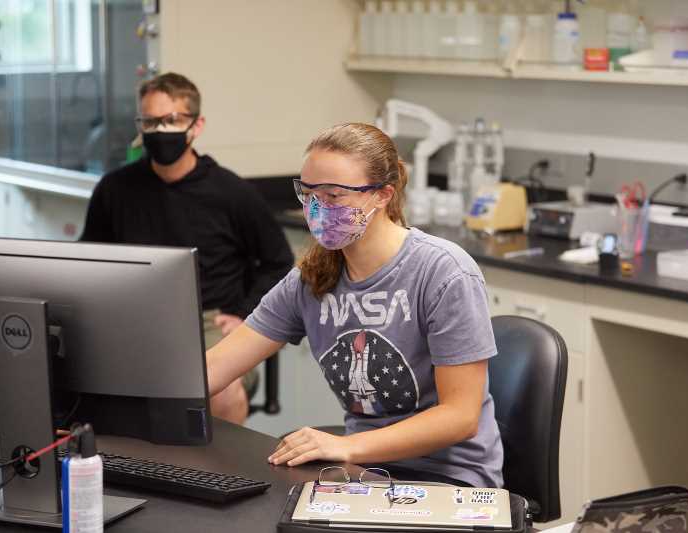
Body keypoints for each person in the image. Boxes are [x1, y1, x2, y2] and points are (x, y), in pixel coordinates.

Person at [207, 123, 503, 487]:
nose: (317, 208)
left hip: (449, 477)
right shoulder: (311, 277)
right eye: (308, 193)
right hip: (365, 472)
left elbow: (460, 416)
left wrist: (347, 447)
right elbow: (215, 367)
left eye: (334, 195)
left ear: (382, 195)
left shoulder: (444, 272)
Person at [81, 72, 294, 424]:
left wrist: (244, 313)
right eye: (150, 121)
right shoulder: (115, 189)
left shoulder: (231, 192)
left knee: (217, 387)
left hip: (209, 321)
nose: (160, 131)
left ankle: (223, 477)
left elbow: (278, 262)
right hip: (134, 320)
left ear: (196, 125)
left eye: (171, 121)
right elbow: (89, 261)